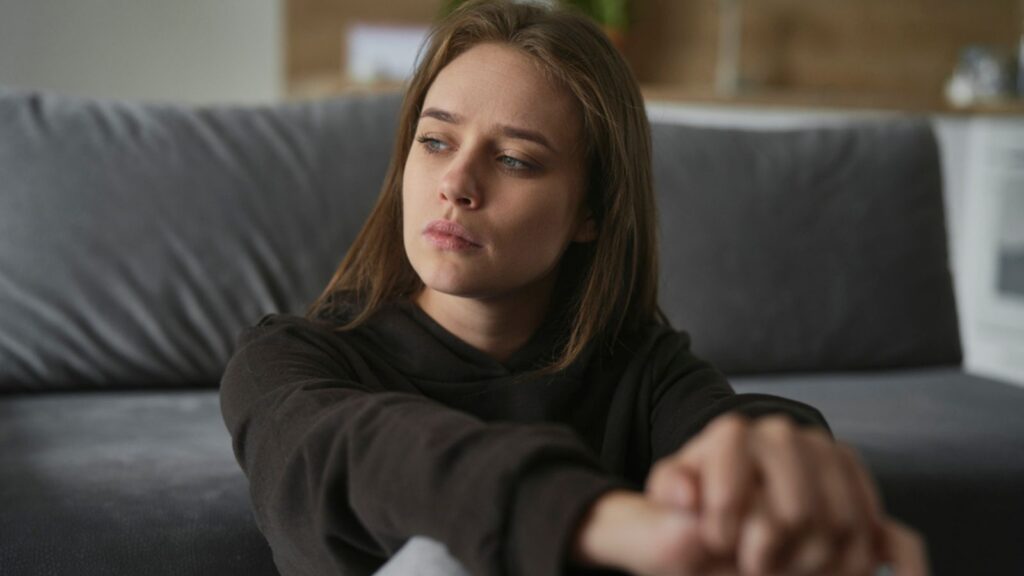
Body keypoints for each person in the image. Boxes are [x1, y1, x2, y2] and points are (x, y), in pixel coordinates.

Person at [219, 1, 928, 575]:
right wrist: (597, 519)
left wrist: (772, 458)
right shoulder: (289, 361)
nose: (457, 184)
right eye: (435, 141)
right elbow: (369, 452)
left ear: (591, 211)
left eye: (515, 160)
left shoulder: (640, 368)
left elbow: (722, 427)